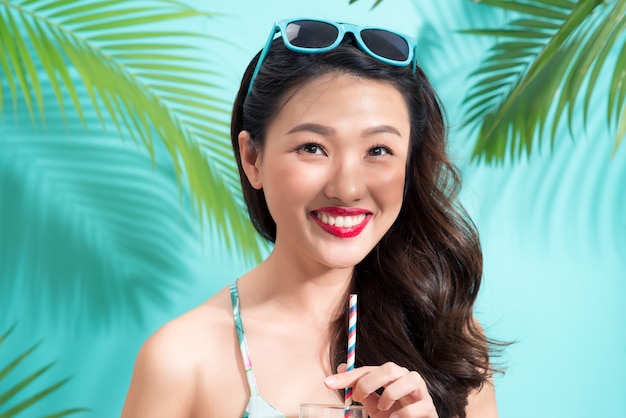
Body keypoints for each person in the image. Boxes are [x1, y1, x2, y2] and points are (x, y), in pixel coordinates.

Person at [121, 18, 499, 418]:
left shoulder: (450, 344)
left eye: (378, 150)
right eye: (313, 147)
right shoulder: (181, 360)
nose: (348, 187)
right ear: (253, 159)